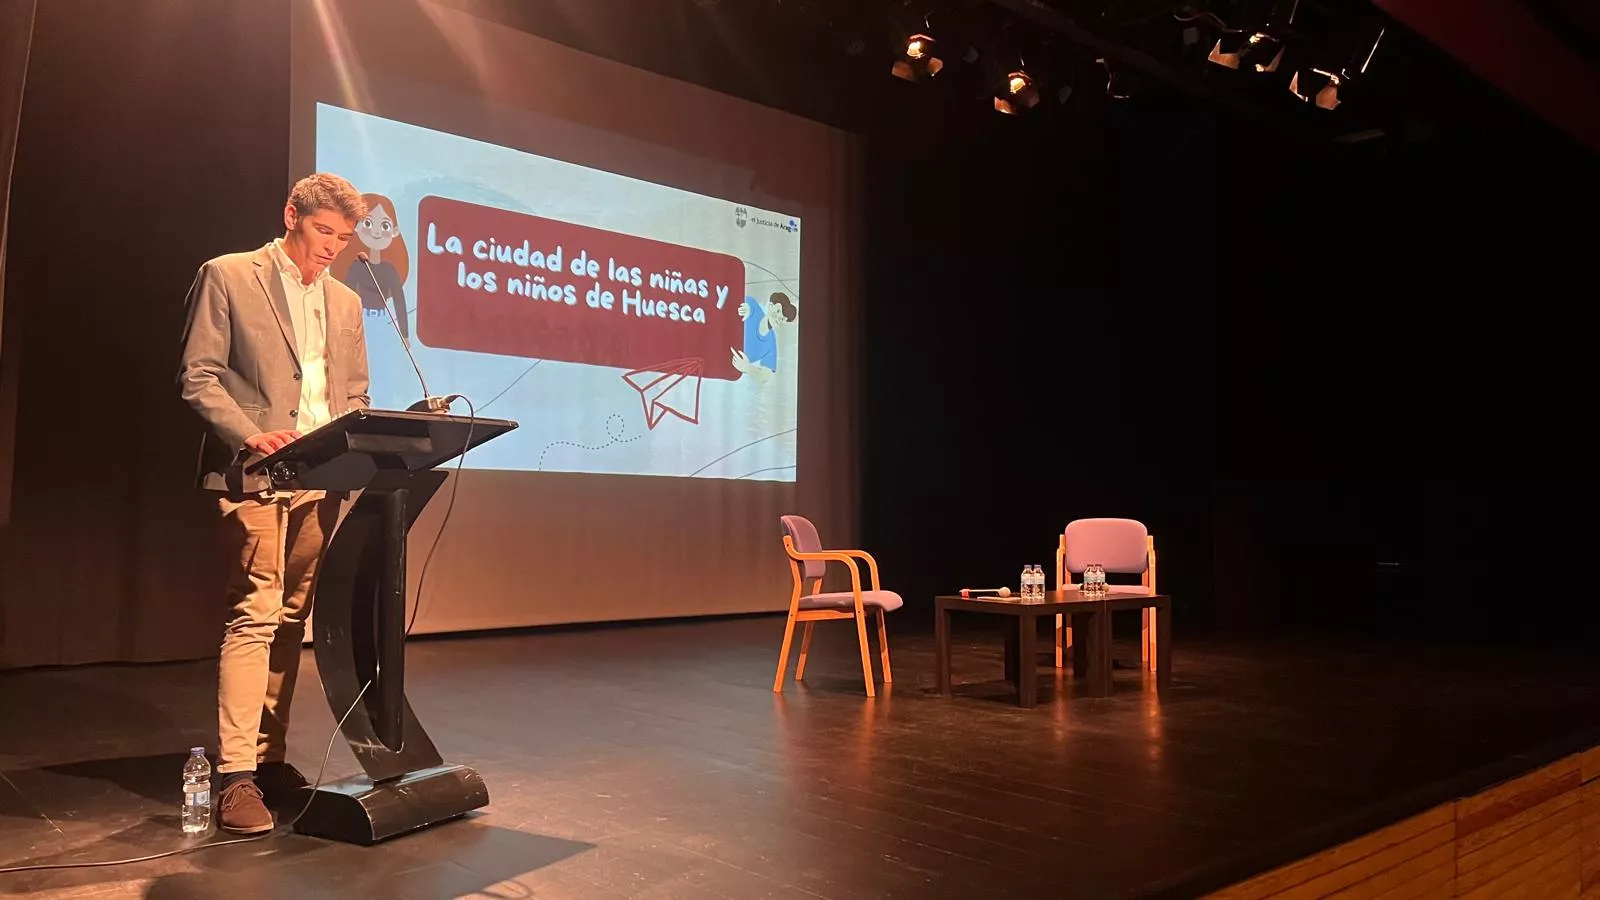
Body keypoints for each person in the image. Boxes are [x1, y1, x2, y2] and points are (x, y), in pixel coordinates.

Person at [177, 173, 371, 834]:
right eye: (323, 232)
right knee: (255, 614)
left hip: (323, 479)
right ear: (292, 215)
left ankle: (269, 760)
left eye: (342, 239)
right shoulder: (230, 275)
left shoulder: (345, 302)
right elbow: (198, 375)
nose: (331, 249)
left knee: (292, 618)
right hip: (255, 472)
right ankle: (234, 778)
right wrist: (251, 434)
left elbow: (354, 393)